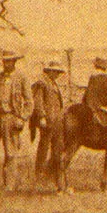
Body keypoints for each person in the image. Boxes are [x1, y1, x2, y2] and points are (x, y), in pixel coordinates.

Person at [0, 50, 33, 191]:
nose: (6, 64)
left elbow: (29, 101)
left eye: (9, 61)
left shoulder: (21, 78)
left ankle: (9, 184)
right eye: (4, 61)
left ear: (14, 62)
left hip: (11, 117)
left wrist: (22, 118)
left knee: (11, 150)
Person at [30, 60, 66, 192]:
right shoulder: (42, 84)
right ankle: (38, 176)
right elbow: (38, 102)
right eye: (55, 71)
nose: (56, 74)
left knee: (57, 149)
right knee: (43, 149)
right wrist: (41, 117)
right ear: (49, 71)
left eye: (58, 72)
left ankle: (53, 177)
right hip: (48, 122)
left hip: (56, 122)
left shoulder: (53, 83)